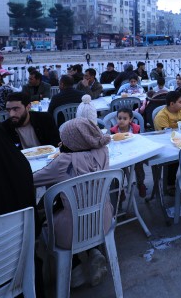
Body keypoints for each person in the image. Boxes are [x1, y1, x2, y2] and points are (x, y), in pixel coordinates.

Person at [33, 118, 113, 288]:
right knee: (82, 208)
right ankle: (94, 251)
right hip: (103, 221)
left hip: (71, 232)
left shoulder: (64, 161)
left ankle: (75, 269)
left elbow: (34, 179)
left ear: (74, 141)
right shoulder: (104, 151)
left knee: (51, 218)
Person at [109, 108, 147, 197]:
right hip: (120, 155)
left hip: (134, 153)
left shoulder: (135, 129)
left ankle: (141, 183)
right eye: (119, 118)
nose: (121, 121)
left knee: (139, 166)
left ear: (130, 119)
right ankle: (119, 189)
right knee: (119, 171)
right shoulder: (114, 131)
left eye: (125, 119)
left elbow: (140, 140)